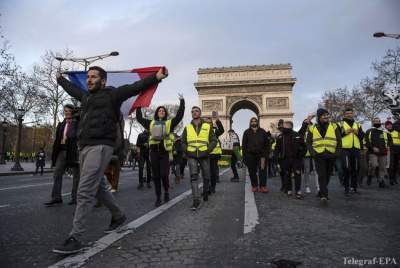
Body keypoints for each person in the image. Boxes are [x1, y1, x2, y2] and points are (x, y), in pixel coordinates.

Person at [52, 66, 168, 254]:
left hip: (101, 145)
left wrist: (156, 77)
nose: (89, 80)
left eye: (93, 77)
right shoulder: (85, 97)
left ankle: (76, 237)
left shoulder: (112, 95)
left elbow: (135, 86)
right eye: (88, 77)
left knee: (85, 189)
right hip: (84, 146)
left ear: (103, 81)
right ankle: (118, 215)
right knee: (98, 186)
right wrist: (59, 79)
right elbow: (72, 90)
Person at [136, 94, 185, 207]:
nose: (162, 111)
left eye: (163, 110)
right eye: (160, 110)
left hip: (164, 152)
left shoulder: (169, 123)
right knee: (156, 176)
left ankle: (166, 191)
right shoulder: (150, 123)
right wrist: (139, 105)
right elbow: (139, 118)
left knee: (164, 174)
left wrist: (182, 102)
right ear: (157, 113)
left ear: (165, 113)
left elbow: (179, 116)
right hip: (153, 152)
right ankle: (158, 197)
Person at [182, 106, 217, 210]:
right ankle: (196, 200)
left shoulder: (207, 126)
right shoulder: (187, 128)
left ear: (200, 113)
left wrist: (207, 151)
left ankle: (205, 192)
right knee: (193, 177)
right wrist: (187, 150)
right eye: (192, 112)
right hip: (192, 154)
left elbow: (214, 140)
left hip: (204, 154)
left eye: (196, 111)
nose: (194, 113)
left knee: (206, 176)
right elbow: (183, 142)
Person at [45, 104, 80, 206]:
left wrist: (73, 122)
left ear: (73, 112)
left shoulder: (77, 123)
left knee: (76, 176)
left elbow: (74, 135)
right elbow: (57, 139)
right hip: (62, 151)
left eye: (69, 111)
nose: (66, 112)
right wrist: (54, 156)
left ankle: (75, 198)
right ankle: (56, 197)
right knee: (57, 174)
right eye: (65, 111)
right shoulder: (61, 124)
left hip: (74, 152)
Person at [306, 108, 342, 204]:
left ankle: (321, 191)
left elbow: (339, 141)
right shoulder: (312, 128)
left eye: (327, 115)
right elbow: (308, 142)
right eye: (324, 115)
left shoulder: (334, 126)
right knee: (321, 175)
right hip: (319, 155)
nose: (326, 117)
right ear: (319, 117)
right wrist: (313, 153)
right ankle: (324, 195)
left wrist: (337, 153)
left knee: (327, 175)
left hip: (331, 154)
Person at [275, 121, 306, 199]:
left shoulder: (297, 135)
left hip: (296, 159)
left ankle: (298, 191)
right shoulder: (280, 137)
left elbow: (304, 147)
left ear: (289, 126)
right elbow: (277, 148)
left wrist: (301, 155)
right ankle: (289, 189)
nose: (283, 127)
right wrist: (277, 157)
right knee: (287, 174)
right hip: (285, 159)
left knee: (297, 175)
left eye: (284, 126)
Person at [338, 108, 364, 195]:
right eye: (347, 113)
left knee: (356, 168)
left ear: (353, 114)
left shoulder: (357, 124)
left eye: (350, 113)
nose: (349, 114)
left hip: (355, 148)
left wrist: (357, 132)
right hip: (345, 148)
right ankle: (346, 188)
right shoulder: (340, 124)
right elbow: (337, 136)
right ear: (344, 114)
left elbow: (362, 136)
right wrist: (346, 132)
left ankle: (354, 187)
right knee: (346, 167)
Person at [242, 117, 270, 193]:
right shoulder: (246, 132)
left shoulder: (263, 131)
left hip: (262, 156)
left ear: (257, 122)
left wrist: (266, 154)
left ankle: (263, 186)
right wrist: (244, 156)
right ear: (250, 123)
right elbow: (244, 145)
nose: (254, 122)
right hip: (250, 156)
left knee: (263, 170)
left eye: (255, 121)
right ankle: (254, 186)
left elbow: (267, 144)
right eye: (252, 121)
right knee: (252, 171)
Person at [365, 118, 392, 188]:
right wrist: (372, 148)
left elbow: (390, 141)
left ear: (380, 122)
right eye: (375, 121)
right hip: (373, 152)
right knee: (374, 165)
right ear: (373, 122)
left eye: (378, 121)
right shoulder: (369, 131)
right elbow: (366, 142)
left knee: (382, 167)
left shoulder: (385, 131)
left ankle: (381, 181)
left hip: (383, 152)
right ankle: (370, 175)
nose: (377, 122)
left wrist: (389, 146)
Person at [205, 114, 224, 193]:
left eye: (210, 123)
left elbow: (222, 130)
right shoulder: (202, 130)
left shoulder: (215, 131)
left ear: (212, 124)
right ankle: (207, 188)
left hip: (214, 154)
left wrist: (218, 121)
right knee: (206, 172)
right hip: (205, 153)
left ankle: (212, 187)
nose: (208, 124)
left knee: (212, 172)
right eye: (207, 123)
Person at [388, 120, 400, 185]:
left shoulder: (397, 132)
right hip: (390, 151)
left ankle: (395, 178)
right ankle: (391, 179)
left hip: (398, 150)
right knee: (391, 165)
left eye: (390, 125)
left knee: (396, 165)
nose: (389, 126)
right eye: (388, 125)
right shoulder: (386, 133)